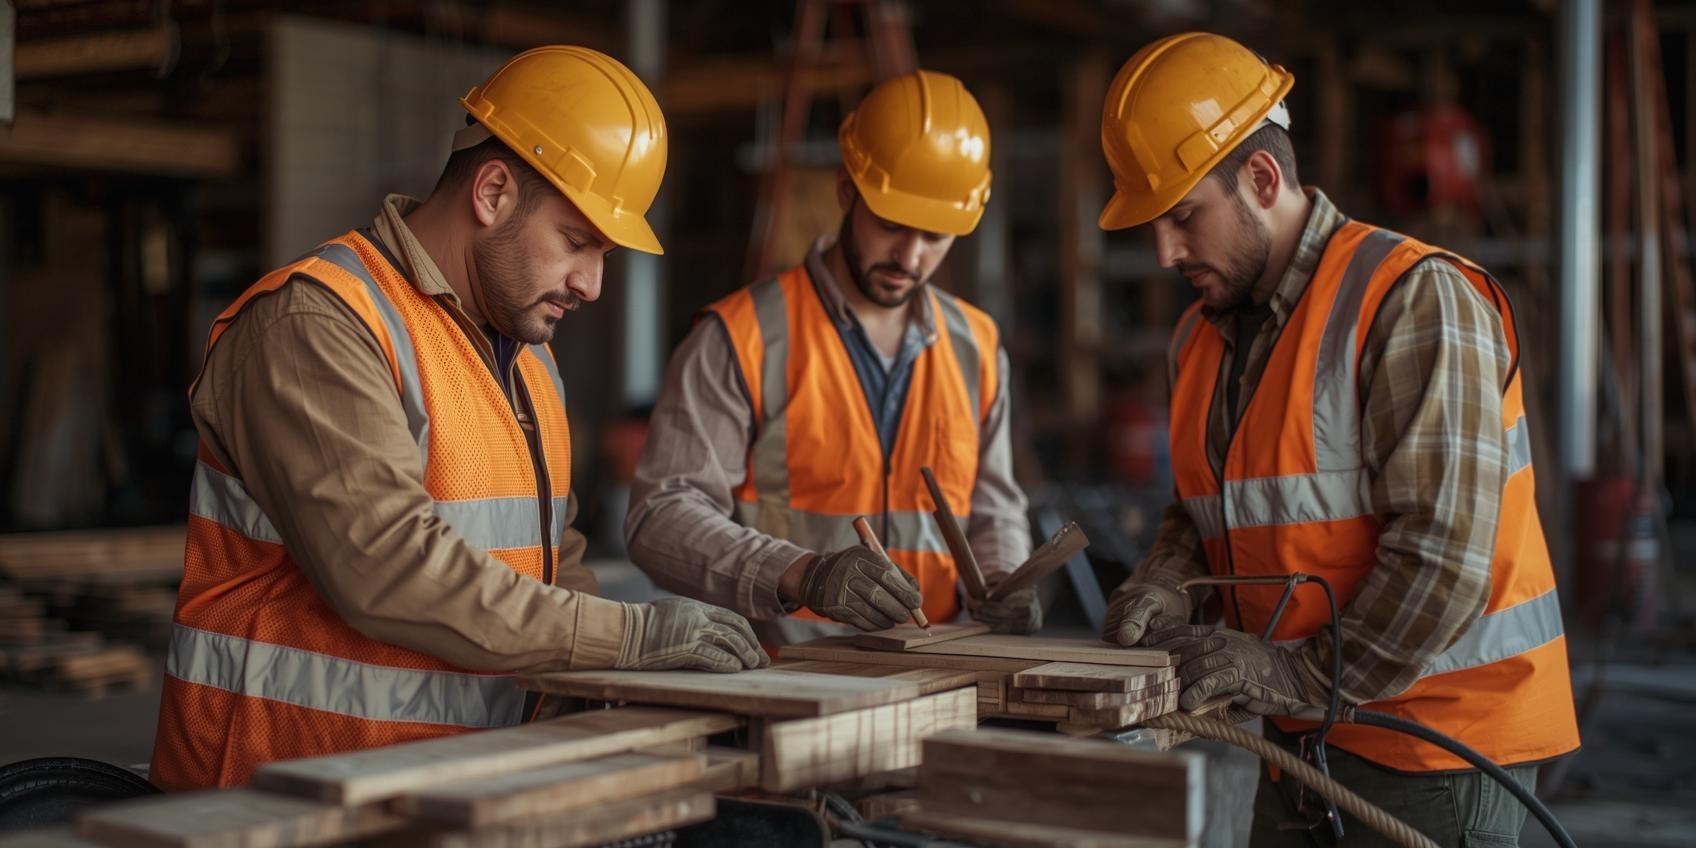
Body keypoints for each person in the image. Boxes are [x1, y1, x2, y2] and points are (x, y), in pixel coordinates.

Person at [150, 46, 765, 791]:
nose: (593, 284)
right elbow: (385, 566)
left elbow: (551, 558)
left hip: (446, 795)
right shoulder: (318, 323)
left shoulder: (531, 361)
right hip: (279, 799)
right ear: (494, 191)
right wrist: (628, 637)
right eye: (577, 243)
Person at [1096, 32, 1580, 845]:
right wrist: (1168, 581)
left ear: (1260, 179)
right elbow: (1209, 511)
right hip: (1297, 746)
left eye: (1183, 217)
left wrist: (1294, 673)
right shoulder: (1201, 338)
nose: (1165, 252)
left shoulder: (1411, 299)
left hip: (1437, 757)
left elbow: (1443, 550)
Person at [624, 70, 1036, 646]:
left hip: (942, 680)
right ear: (847, 190)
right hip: (779, 686)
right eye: (891, 223)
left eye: (937, 236)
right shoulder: (740, 336)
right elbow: (660, 519)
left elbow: (994, 510)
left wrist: (1003, 578)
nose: (910, 256)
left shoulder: (977, 344)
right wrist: (801, 574)